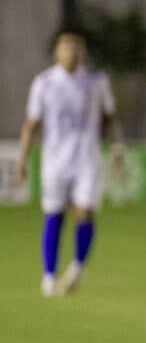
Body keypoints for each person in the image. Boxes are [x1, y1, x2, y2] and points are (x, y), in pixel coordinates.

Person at [16, 32, 123, 296]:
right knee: (54, 214)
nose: (73, 53)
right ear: (57, 53)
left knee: (85, 211)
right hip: (55, 160)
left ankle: (76, 268)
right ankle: (49, 276)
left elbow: (109, 118)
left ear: (84, 53)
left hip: (87, 159)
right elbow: (32, 124)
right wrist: (22, 159)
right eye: (67, 48)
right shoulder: (44, 83)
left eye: (77, 48)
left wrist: (118, 149)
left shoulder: (96, 82)